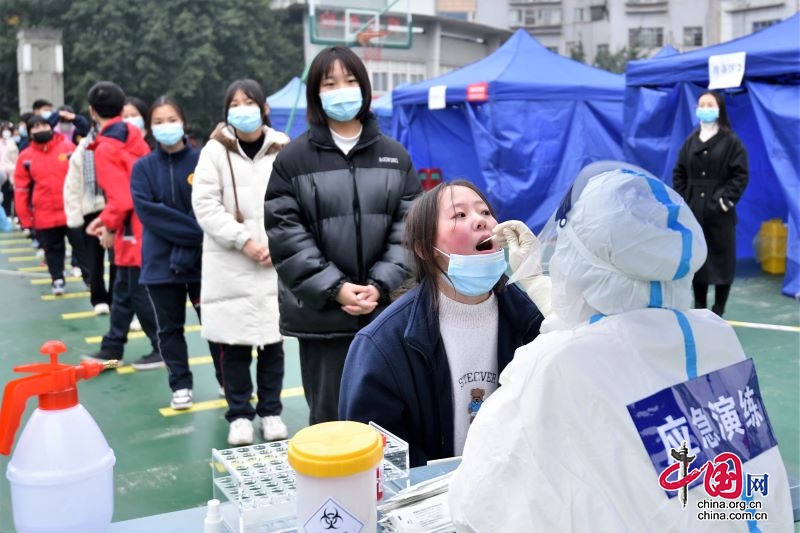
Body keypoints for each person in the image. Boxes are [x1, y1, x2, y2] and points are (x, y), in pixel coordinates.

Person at [448, 165, 793, 532]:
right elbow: (622, 329)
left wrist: (535, 278)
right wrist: (534, 281)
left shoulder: (553, 367)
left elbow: (479, 502)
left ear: (578, 265)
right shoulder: (715, 337)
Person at [265, 46, 422, 425]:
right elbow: (286, 234)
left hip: (386, 312)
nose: (342, 90)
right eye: (330, 83)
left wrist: (380, 285)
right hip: (322, 318)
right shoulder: (292, 160)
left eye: (350, 81)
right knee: (330, 420)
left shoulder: (395, 156)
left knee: (391, 417)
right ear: (316, 94)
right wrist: (335, 288)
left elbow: (409, 225)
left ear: (365, 88)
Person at [338, 180, 543, 467]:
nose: (481, 222)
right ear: (424, 249)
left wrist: (538, 282)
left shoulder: (532, 320)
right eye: (460, 215)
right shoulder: (383, 344)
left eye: (485, 212)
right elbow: (375, 451)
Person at [192, 79, 289, 444]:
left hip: (273, 263)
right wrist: (243, 240)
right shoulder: (213, 152)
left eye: (250, 102)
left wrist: (278, 244)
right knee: (232, 345)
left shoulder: (282, 148)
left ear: (264, 108)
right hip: (230, 262)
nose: (242, 109)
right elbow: (205, 205)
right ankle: (239, 413)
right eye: (235, 103)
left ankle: (271, 411)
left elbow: (294, 202)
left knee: (273, 342)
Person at [131, 96, 224, 408]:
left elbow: (212, 207)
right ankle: (180, 385)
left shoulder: (203, 161)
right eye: (158, 122)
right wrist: (200, 231)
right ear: (149, 128)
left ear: (183, 123)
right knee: (169, 329)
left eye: (171, 120)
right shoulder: (142, 168)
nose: (166, 127)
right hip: (160, 263)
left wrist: (205, 227)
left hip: (203, 262)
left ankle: (228, 381)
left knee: (214, 325)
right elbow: (150, 213)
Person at [81, 81, 159, 369]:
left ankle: (161, 346)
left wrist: (109, 226)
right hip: (139, 222)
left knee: (135, 291)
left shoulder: (106, 147)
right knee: (125, 290)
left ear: (91, 111)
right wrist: (108, 220)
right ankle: (112, 346)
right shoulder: (133, 136)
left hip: (129, 227)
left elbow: (121, 197)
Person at [673, 91, 748, 317]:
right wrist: (686, 199)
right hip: (695, 211)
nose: (705, 108)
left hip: (721, 213)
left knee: (723, 260)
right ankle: (700, 309)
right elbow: (679, 174)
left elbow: (740, 175)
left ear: (719, 108)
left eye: (710, 104)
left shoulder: (731, 141)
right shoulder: (691, 141)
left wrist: (724, 201)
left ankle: (719, 310)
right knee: (699, 262)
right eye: (701, 104)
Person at [13, 115, 76, 294]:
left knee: (81, 245)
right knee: (52, 248)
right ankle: (57, 279)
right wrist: (25, 218)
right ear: (30, 131)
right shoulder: (25, 157)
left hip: (71, 208)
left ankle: (88, 278)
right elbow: (21, 190)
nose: (40, 130)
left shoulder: (68, 148)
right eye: (35, 127)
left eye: (43, 125)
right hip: (44, 211)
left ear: (51, 127)